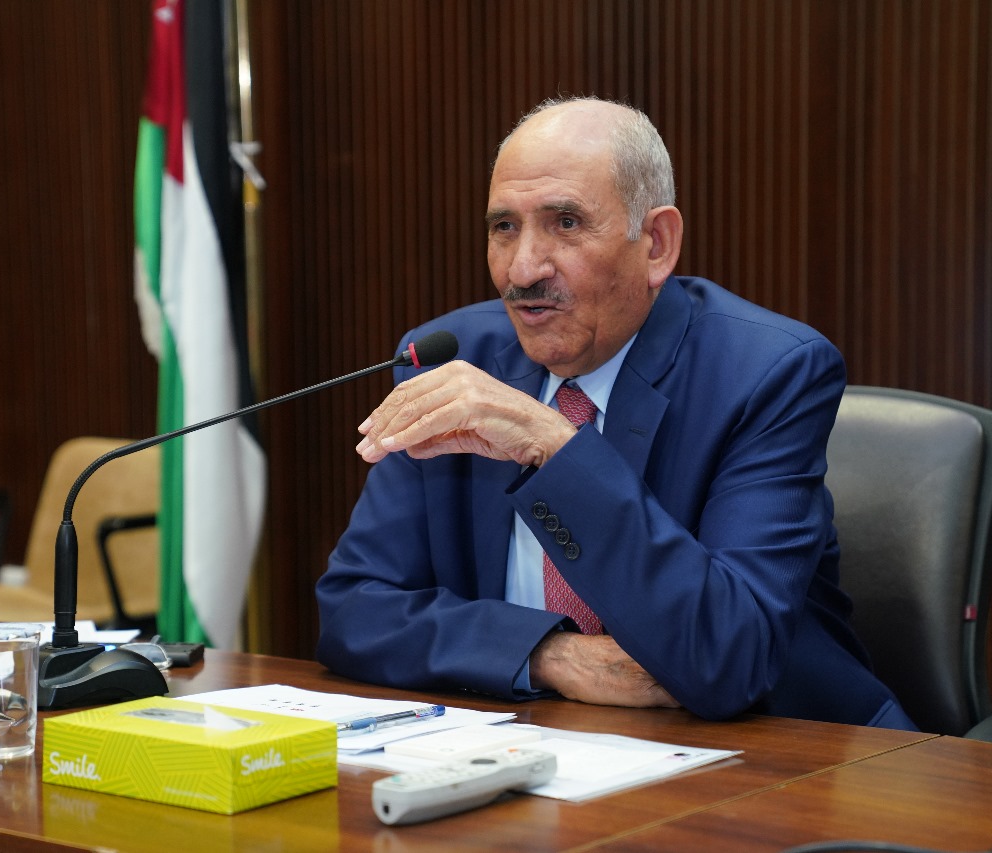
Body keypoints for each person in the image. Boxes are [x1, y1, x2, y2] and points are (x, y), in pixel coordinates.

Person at [315, 96, 916, 729]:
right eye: (504, 227)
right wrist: (548, 655)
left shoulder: (766, 374)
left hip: (785, 748)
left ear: (656, 244)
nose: (523, 268)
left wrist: (556, 448)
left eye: (566, 223)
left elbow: (728, 654)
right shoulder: (455, 360)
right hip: (543, 744)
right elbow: (354, 609)